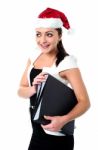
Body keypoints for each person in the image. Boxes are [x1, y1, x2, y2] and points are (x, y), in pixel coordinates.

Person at [17, 7, 90, 150]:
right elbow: (20, 90)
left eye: (49, 35)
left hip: (57, 136)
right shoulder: (34, 56)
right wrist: (34, 88)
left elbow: (85, 102)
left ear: (60, 35)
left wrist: (63, 120)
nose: (42, 40)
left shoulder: (66, 62)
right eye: (38, 34)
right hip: (36, 131)